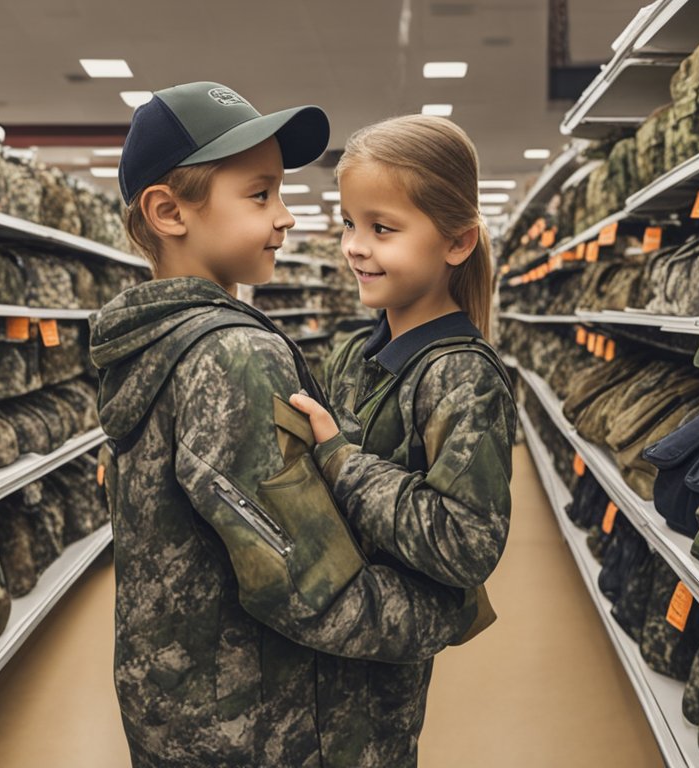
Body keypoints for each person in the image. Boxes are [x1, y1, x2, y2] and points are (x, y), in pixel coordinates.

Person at [89, 83, 484, 767]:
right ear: (167, 210)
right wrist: (442, 608)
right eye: (260, 194)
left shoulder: (149, 340)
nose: (286, 217)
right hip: (269, 727)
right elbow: (312, 591)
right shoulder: (234, 354)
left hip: (185, 710)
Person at [289, 113, 517, 732]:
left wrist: (339, 459)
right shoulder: (355, 354)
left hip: (381, 677)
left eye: (382, 228)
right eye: (349, 224)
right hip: (327, 650)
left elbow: (468, 544)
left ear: (457, 242)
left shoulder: (461, 378)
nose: (355, 246)